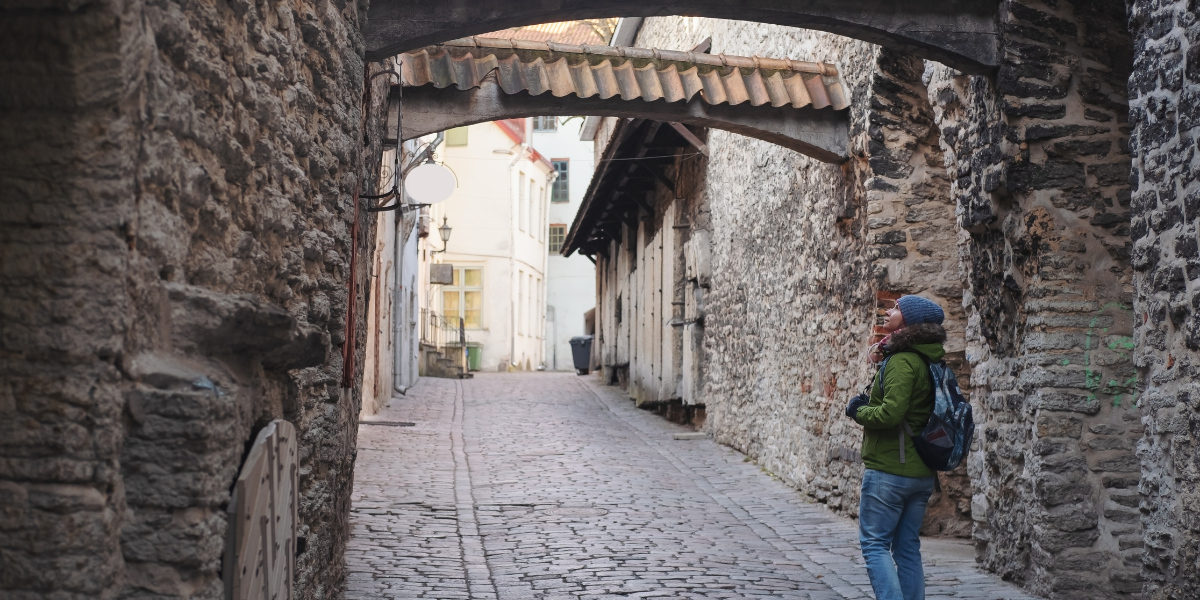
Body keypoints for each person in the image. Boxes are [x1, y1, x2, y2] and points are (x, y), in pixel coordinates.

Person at [845, 295, 946, 600]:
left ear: (910, 321)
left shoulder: (904, 360)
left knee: (874, 545)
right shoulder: (930, 357)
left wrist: (857, 411)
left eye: (898, 308)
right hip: (920, 471)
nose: (889, 311)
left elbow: (892, 413)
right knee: (906, 548)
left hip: (891, 470)